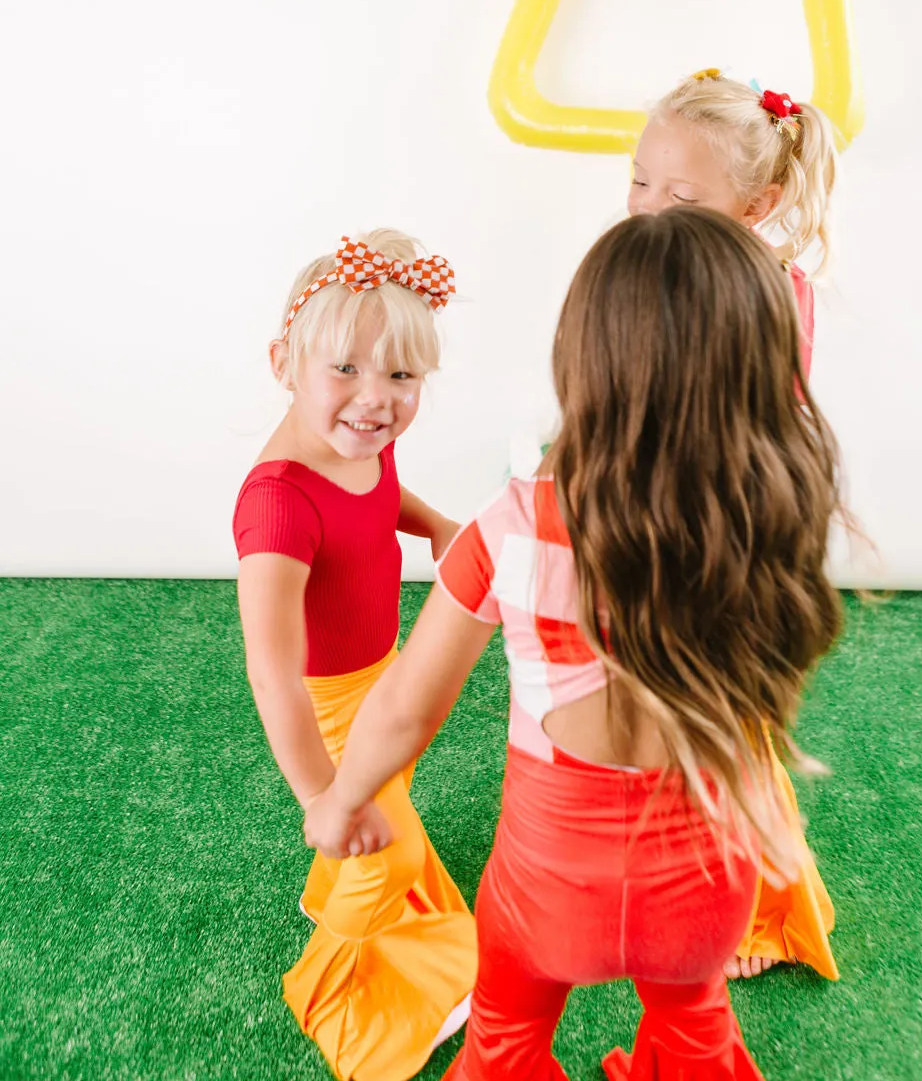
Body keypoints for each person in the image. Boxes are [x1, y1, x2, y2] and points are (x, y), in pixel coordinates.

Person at [303, 208, 844, 1078]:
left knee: (507, 1034)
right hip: (710, 898)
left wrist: (342, 803)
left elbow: (404, 708)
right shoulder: (770, 526)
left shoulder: (514, 529)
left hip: (547, 897)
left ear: (583, 360)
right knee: (695, 1019)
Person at [232, 229, 476, 1081]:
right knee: (391, 850)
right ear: (283, 362)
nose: (376, 402)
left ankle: (338, 883)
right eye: (345, 370)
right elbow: (272, 670)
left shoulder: (359, 437)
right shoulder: (277, 504)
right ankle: (328, 979)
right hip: (331, 704)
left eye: (401, 377)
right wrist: (322, 797)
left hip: (384, 670)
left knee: (396, 789)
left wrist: (437, 524)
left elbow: (380, 493)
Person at [628, 68, 841, 978]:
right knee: (658, 710)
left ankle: (755, 908)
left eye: (679, 196)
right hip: (660, 523)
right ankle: (668, 863)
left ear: (757, 203)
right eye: (638, 180)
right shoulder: (645, 269)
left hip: (728, 535)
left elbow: (745, 432)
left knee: (725, 727)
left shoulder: (762, 291)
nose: (646, 208)